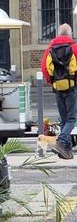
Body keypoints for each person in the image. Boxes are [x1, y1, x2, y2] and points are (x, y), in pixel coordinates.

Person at [41, 23, 77, 159]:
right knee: (72, 118)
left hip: (58, 87)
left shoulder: (50, 49)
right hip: (72, 87)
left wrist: (52, 82)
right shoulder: (74, 47)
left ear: (58, 34)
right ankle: (62, 141)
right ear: (70, 34)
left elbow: (44, 68)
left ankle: (66, 150)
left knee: (64, 119)